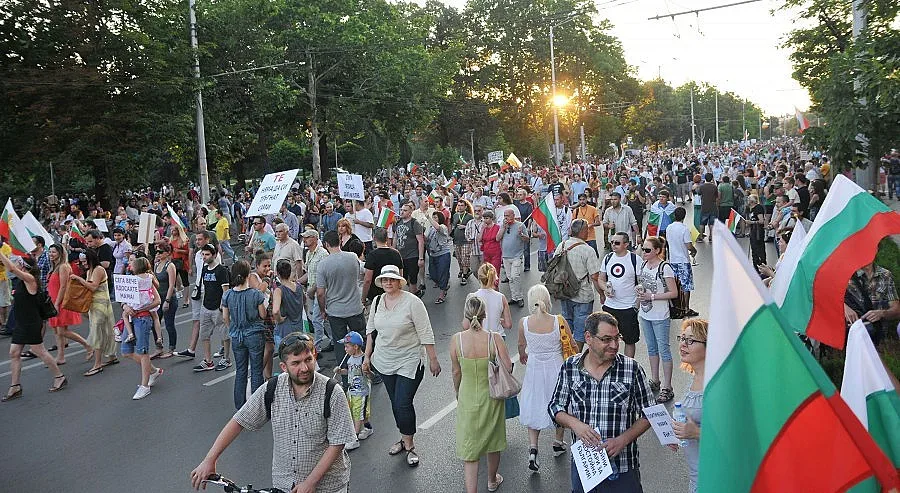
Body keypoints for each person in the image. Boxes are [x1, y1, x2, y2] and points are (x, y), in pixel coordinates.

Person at [190, 333, 356, 493]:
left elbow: (337, 443)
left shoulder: (332, 392)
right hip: (284, 485)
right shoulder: (272, 388)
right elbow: (239, 421)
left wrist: (311, 482)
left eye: (308, 360)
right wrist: (210, 459)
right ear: (284, 367)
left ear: (315, 356)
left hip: (327, 487)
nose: (304, 368)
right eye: (296, 363)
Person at [549, 311, 655, 493]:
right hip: (585, 468)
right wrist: (575, 425)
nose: (614, 345)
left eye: (617, 338)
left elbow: (650, 413)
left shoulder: (632, 369)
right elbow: (555, 407)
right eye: (606, 339)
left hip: (623, 468)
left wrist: (622, 440)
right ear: (588, 338)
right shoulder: (570, 367)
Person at [362, 265, 441, 467]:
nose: (388, 283)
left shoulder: (413, 303)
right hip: (384, 360)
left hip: (410, 361)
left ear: (399, 282)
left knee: (402, 403)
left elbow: (425, 332)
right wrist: (367, 357)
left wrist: (433, 359)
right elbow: (370, 332)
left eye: (392, 279)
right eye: (385, 280)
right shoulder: (377, 301)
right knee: (395, 402)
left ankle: (410, 444)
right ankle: (404, 437)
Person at [450, 295, 510, 493]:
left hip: (468, 396)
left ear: (466, 315)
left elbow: (456, 372)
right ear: (485, 315)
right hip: (492, 396)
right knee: (493, 440)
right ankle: (492, 480)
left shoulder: (457, 340)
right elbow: (508, 367)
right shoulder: (495, 338)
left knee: (470, 447)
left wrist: (458, 391)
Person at [0, 250, 67, 401]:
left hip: (31, 323)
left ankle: (59, 377)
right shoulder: (22, 280)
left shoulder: (30, 279)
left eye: (19, 263)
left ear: (24, 266)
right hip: (22, 323)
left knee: (39, 351)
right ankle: (15, 386)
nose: (16, 264)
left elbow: (11, 268)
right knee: (14, 353)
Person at [517, 284, 570, 471]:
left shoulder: (524, 322)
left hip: (535, 369)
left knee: (535, 404)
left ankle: (533, 448)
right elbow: (570, 343)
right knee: (559, 403)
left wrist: (523, 355)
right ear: (548, 299)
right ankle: (558, 441)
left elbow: (521, 345)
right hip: (556, 367)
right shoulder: (558, 321)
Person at [317, 230, 366, 386]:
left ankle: (346, 379)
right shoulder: (352, 257)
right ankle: (367, 371)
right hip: (355, 307)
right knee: (361, 340)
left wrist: (323, 310)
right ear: (340, 241)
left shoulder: (323, 264)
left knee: (341, 345)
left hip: (335, 310)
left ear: (326, 244)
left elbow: (320, 292)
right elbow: (361, 275)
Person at [637, 236, 678, 403]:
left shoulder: (664, 268)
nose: (644, 252)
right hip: (645, 313)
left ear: (657, 250)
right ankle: (655, 380)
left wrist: (652, 296)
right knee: (651, 349)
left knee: (664, 350)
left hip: (660, 315)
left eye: (647, 250)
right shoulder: (643, 265)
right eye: (643, 249)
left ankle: (668, 386)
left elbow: (673, 293)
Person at [221, 260, 266, 409]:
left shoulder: (227, 295)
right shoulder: (256, 294)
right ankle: (256, 406)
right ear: (248, 275)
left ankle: (240, 406)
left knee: (240, 371)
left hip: (237, 336)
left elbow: (225, 317)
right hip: (254, 334)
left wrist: (233, 328)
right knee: (256, 370)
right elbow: (263, 315)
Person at [120, 256, 165, 400]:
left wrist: (142, 309)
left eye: (132, 262)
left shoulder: (145, 281)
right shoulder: (136, 280)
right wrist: (125, 306)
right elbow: (123, 298)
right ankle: (153, 371)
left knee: (143, 351)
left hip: (142, 318)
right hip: (131, 316)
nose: (130, 264)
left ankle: (144, 386)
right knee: (126, 351)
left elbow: (157, 300)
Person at [554, 219, 603, 349]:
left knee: (567, 325)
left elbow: (555, 267)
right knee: (580, 331)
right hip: (583, 295)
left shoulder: (562, 246)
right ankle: (577, 355)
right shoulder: (588, 250)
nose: (588, 232)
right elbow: (595, 276)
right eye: (587, 229)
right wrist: (601, 294)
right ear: (582, 231)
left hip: (565, 292)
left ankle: (567, 353)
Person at [674, 318, 707, 493]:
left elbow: (735, 435)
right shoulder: (693, 379)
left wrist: (696, 433)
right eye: (682, 338)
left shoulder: (718, 385)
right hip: (696, 479)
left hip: (716, 480)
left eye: (691, 340)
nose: (683, 344)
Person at [46, 243, 91, 365]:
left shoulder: (63, 267)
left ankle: (87, 345)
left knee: (62, 331)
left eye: (53, 252)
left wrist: (57, 303)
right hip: (53, 301)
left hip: (61, 302)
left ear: (60, 253)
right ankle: (60, 356)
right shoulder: (54, 267)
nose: (51, 254)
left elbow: (64, 286)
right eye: (50, 252)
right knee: (57, 331)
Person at [77, 249, 119, 377]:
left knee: (97, 332)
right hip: (95, 304)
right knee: (105, 330)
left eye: (85, 261)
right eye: (82, 262)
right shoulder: (90, 270)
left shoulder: (98, 269)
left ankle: (97, 364)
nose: (83, 264)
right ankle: (112, 356)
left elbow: (93, 286)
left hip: (101, 304)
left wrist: (79, 279)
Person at [599, 232, 641, 358]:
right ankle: (609, 363)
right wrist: (605, 289)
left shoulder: (635, 259)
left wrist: (637, 304)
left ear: (626, 244)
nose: (613, 245)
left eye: (617, 243)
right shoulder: (608, 258)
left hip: (628, 307)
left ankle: (628, 364)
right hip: (610, 306)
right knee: (606, 339)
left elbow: (641, 283)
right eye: (612, 242)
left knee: (629, 340)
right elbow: (601, 279)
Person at [193, 244, 231, 372]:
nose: (204, 257)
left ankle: (226, 358)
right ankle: (208, 361)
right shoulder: (204, 269)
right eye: (203, 254)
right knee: (204, 335)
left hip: (217, 308)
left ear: (214, 255)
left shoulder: (221, 270)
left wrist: (223, 306)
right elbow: (206, 287)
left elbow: (226, 290)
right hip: (206, 306)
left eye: (207, 254)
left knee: (224, 335)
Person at [843, 261, 900, 346]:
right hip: (853, 330)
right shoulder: (846, 274)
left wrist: (882, 313)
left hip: (878, 333)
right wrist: (843, 307)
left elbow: (897, 310)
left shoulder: (885, 275)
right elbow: (828, 297)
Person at [332, 331, 372, 451]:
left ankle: (354, 439)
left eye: (347, 346)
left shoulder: (364, 359)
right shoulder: (350, 359)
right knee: (357, 412)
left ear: (355, 346)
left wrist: (367, 372)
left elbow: (371, 375)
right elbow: (349, 372)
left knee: (358, 413)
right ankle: (368, 428)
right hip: (351, 390)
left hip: (361, 391)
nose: (345, 349)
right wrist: (340, 371)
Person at [299, 229, 331, 351]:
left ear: (314, 238)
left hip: (320, 291)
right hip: (311, 290)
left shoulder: (323, 254)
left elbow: (324, 276)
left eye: (307, 237)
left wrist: (313, 289)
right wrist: (297, 282)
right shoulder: (308, 253)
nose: (304, 240)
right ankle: (333, 339)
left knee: (317, 319)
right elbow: (309, 273)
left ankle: (317, 348)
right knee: (319, 318)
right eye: (304, 238)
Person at [664, 207, 698, 316]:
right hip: (683, 261)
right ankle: (686, 308)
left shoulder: (669, 228)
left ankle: (676, 307)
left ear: (674, 215)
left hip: (672, 260)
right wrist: (694, 251)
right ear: (684, 216)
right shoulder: (684, 229)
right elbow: (688, 245)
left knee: (674, 285)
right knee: (686, 285)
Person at [468, 263, 512, 336]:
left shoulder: (472, 297)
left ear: (479, 278)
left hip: (479, 336)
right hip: (497, 336)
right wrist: (498, 320)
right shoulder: (501, 297)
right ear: (494, 278)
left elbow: (466, 325)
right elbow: (508, 324)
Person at [361, 227, 402, 304]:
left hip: (375, 295)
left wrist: (363, 298)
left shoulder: (372, 255)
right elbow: (400, 275)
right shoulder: (396, 254)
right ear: (387, 238)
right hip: (393, 292)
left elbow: (367, 280)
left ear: (374, 238)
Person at [497, 208, 529, 307]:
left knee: (515, 276)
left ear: (513, 216)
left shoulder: (520, 225)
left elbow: (527, 239)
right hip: (506, 256)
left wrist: (521, 234)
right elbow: (497, 238)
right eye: (505, 216)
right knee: (510, 278)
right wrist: (503, 228)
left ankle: (520, 297)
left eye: (508, 215)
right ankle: (514, 297)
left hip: (516, 256)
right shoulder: (503, 226)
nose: (506, 218)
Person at [393, 203, 426, 296]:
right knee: (403, 278)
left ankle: (413, 296)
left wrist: (420, 258)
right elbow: (395, 237)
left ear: (410, 213)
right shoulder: (398, 222)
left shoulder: (414, 223)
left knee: (412, 278)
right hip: (401, 256)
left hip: (412, 255)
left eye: (405, 210)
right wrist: (393, 251)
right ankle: (415, 292)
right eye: (401, 210)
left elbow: (420, 241)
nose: (402, 212)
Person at [153, 243, 178, 358]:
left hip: (169, 298)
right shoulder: (156, 265)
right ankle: (159, 347)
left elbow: (172, 285)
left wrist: (167, 301)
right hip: (158, 298)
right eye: (157, 252)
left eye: (160, 252)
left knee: (169, 324)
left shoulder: (170, 266)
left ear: (167, 253)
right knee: (155, 323)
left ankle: (172, 348)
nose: (158, 254)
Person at [272, 259, 305, 345]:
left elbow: (275, 311)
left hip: (284, 332)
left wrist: (279, 319)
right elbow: (304, 301)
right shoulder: (299, 286)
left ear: (278, 273)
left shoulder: (279, 290)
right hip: (298, 329)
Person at [426, 211, 453, 304]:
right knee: (432, 274)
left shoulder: (443, 227)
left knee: (442, 273)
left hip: (443, 254)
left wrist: (428, 218)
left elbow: (438, 228)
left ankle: (442, 293)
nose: (433, 219)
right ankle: (444, 285)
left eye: (435, 217)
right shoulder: (430, 228)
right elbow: (427, 239)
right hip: (433, 254)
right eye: (433, 217)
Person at [450, 200, 475, 284]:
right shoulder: (455, 215)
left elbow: (473, 227)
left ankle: (464, 275)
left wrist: (465, 227)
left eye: (462, 205)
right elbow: (453, 225)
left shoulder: (469, 216)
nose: (460, 207)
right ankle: (463, 270)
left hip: (466, 240)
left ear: (465, 207)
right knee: (459, 258)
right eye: (459, 205)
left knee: (465, 258)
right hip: (456, 240)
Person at [746, 195, 768, 269]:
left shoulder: (758, 208)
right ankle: (755, 265)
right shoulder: (750, 209)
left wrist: (752, 222)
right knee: (754, 249)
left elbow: (761, 221)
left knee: (759, 248)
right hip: (753, 231)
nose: (747, 200)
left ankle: (762, 265)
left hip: (758, 231)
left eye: (749, 199)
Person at [480, 210, 502, 279]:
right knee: (487, 271)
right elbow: (479, 239)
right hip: (486, 252)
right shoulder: (484, 228)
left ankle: (495, 284)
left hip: (495, 252)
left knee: (495, 270)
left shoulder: (497, 227)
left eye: (487, 218)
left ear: (491, 218)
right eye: (484, 218)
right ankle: (489, 284)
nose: (485, 220)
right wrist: (482, 229)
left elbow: (498, 238)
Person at [698, 173, 718, 241]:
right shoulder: (714, 186)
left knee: (702, 223)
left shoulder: (702, 186)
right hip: (713, 206)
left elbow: (699, 193)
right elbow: (717, 195)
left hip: (704, 206)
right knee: (712, 223)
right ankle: (711, 236)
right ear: (712, 178)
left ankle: (701, 236)